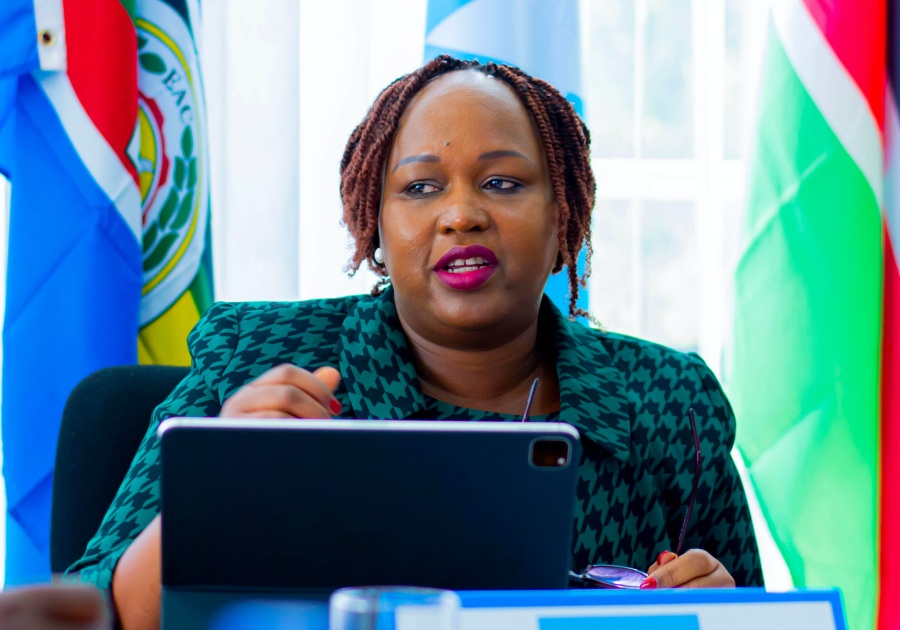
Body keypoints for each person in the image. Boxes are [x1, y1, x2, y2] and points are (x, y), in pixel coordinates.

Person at [66, 55, 763, 629]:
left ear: (564, 224)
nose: (461, 214)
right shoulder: (256, 357)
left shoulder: (668, 404)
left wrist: (722, 615)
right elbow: (93, 611)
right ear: (375, 228)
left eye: (502, 182)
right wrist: (221, 482)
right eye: (421, 186)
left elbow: (754, 615)